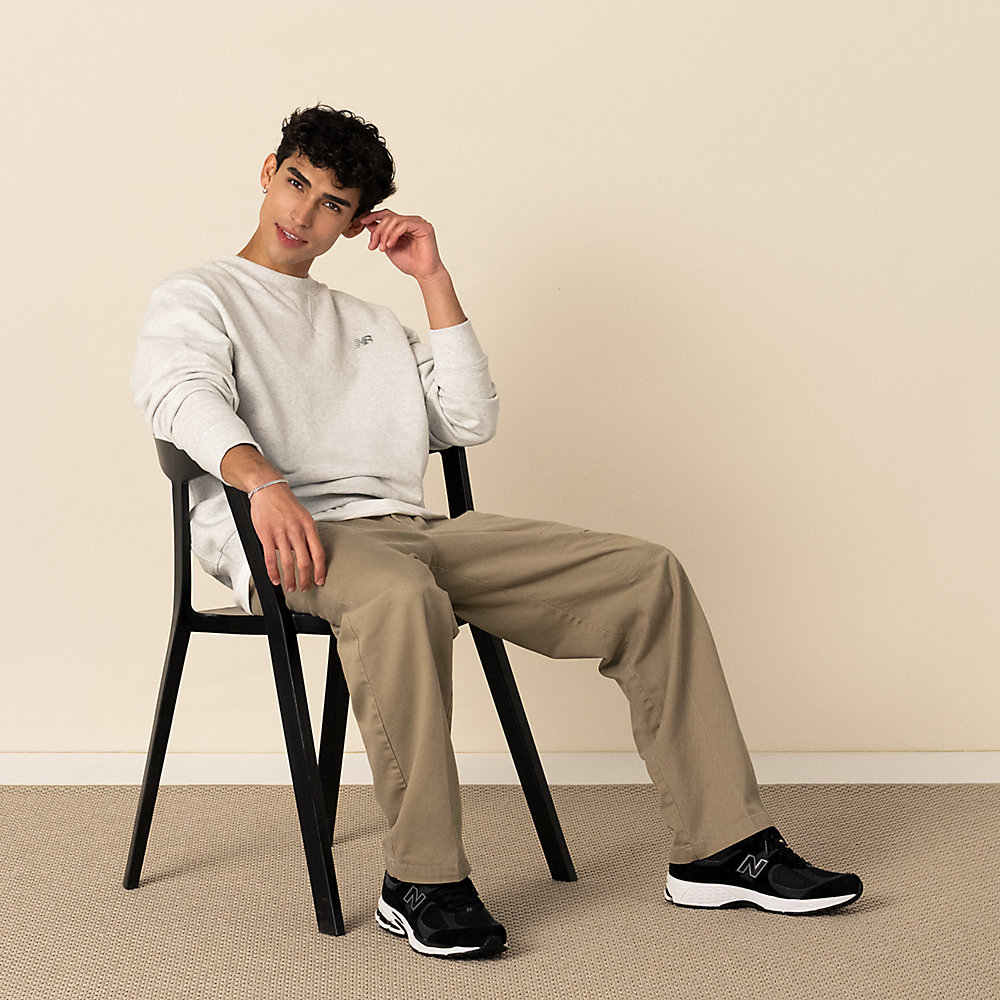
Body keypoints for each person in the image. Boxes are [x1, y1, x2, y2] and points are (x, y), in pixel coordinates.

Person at [131, 105, 863, 960]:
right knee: (400, 594)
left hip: (407, 531)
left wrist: (432, 278)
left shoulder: (368, 322)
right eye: (297, 183)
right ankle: (421, 880)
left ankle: (720, 847)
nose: (304, 213)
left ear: (356, 220)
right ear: (269, 171)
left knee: (645, 574)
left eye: (333, 203)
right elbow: (178, 393)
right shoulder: (199, 295)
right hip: (287, 541)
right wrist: (262, 482)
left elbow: (468, 418)